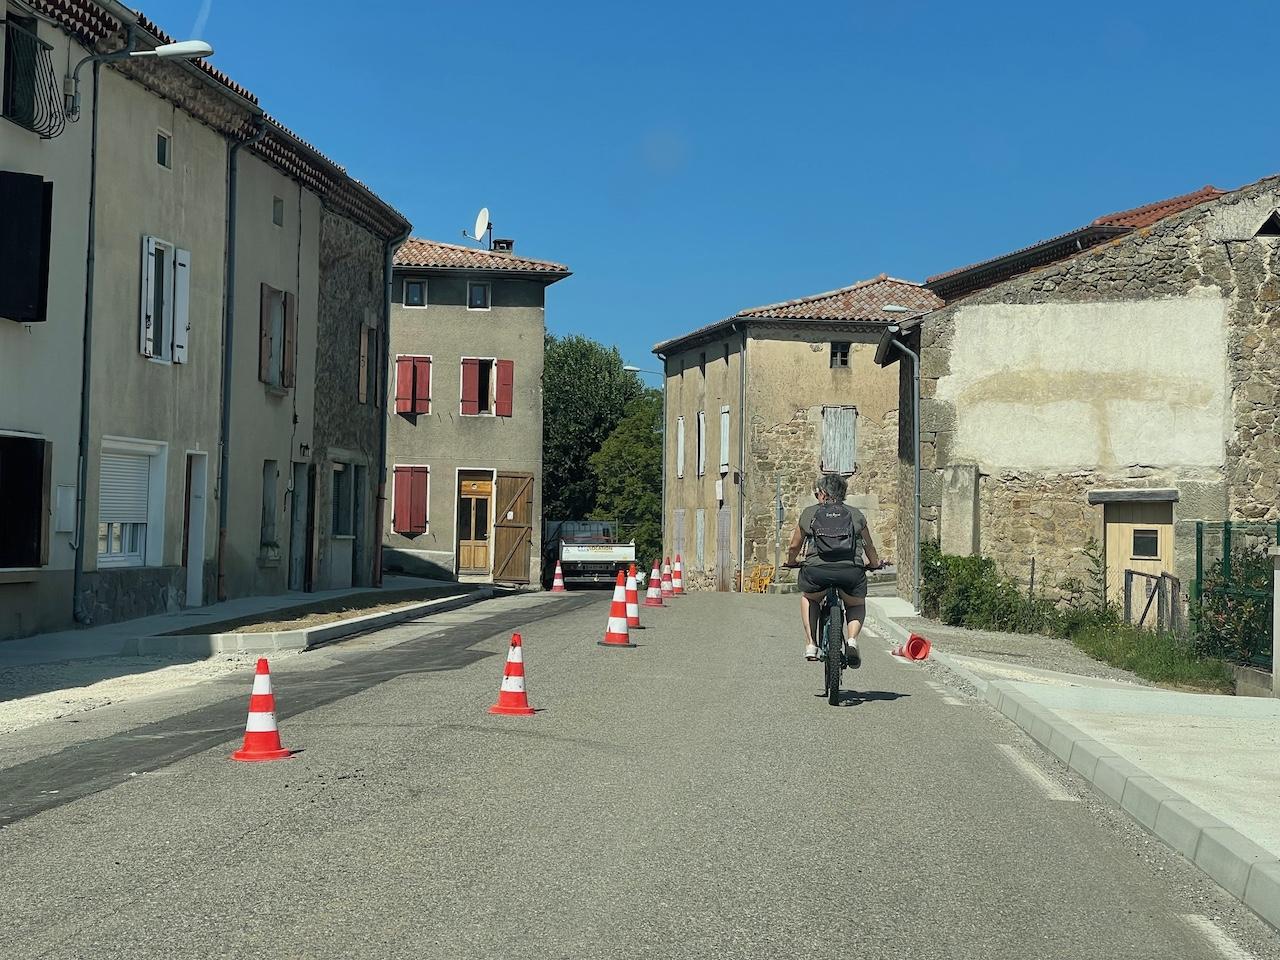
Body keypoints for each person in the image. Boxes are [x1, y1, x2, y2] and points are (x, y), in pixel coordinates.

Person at [783, 473, 884, 663]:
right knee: (856, 603)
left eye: (817, 494)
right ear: (843, 493)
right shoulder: (855, 515)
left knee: (809, 598)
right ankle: (852, 639)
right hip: (850, 572)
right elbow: (869, 546)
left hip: (816, 571)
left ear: (822, 494)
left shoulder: (809, 513)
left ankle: (811, 644)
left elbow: (794, 546)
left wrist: (791, 561)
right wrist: (874, 564)